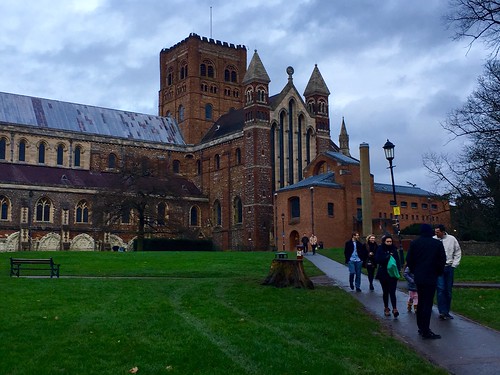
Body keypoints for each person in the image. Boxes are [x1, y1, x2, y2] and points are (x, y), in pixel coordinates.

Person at [406, 224, 446, 339]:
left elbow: (409, 259)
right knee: (427, 304)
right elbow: (442, 259)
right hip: (431, 276)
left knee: (421, 302)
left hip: (419, 276)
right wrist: (437, 272)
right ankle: (426, 330)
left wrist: (414, 270)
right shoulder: (437, 244)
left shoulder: (415, 243)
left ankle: (421, 327)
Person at [434, 224, 462, 320]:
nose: (436, 233)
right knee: (441, 289)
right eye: (435, 232)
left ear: (442, 231)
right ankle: (442, 311)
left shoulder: (452, 239)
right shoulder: (434, 240)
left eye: (438, 232)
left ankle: (447, 311)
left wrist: (454, 264)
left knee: (448, 291)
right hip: (439, 268)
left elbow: (457, 252)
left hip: (449, 267)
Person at [375, 234, 401, 318]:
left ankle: (395, 308)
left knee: (392, 292)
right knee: (385, 291)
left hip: (392, 274)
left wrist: (398, 270)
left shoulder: (394, 249)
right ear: (384, 242)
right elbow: (378, 259)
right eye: (387, 241)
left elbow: (397, 261)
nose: (389, 243)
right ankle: (386, 308)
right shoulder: (380, 249)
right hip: (383, 273)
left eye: (390, 241)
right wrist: (387, 257)